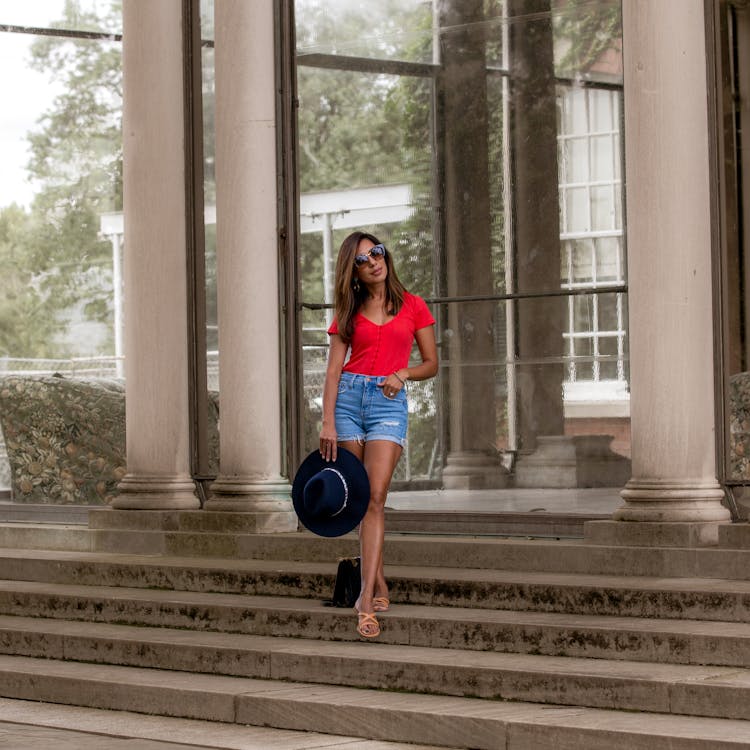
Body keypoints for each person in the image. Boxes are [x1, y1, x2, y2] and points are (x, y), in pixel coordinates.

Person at [319, 230, 438, 638]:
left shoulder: (413, 306)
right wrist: (328, 421)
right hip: (349, 401)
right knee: (359, 501)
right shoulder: (348, 313)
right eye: (363, 259)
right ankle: (378, 582)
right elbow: (334, 371)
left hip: (388, 405)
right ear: (353, 272)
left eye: (378, 252)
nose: (374, 261)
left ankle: (365, 598)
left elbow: (431, 363)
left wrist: (402, 373)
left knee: (375, 496)